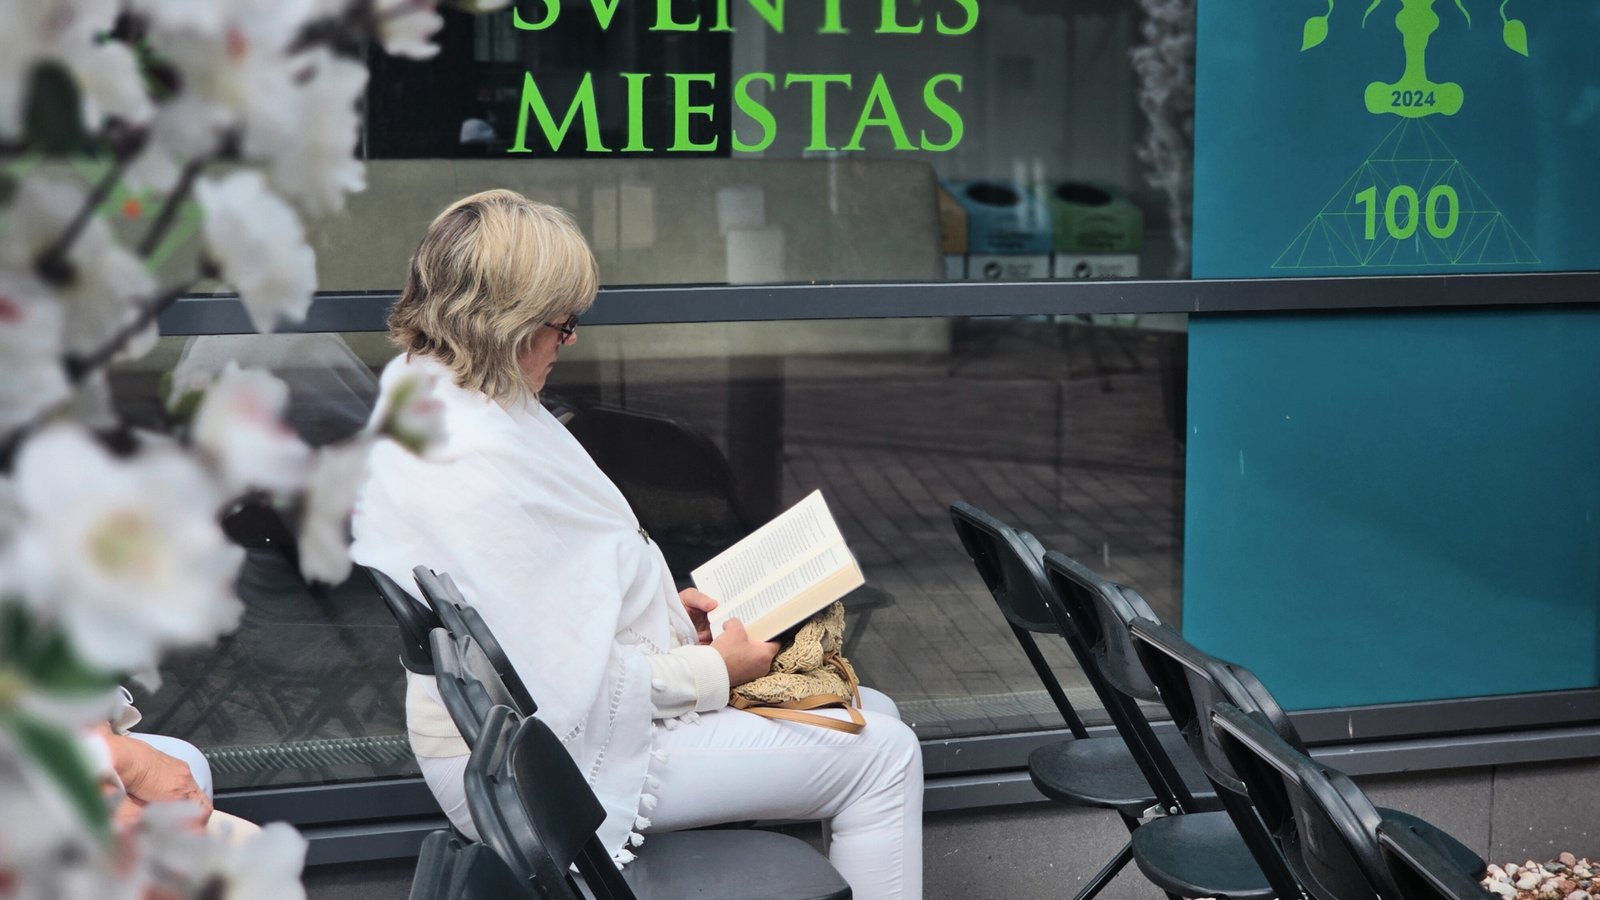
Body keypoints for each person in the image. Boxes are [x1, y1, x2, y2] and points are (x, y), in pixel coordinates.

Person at [350, 190, 923, 899]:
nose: (571, 340)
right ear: (507, 325)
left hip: (523, 743)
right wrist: (716, 669)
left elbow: (553, 620)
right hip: (542, 769)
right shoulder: (478, 464)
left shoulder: (444, 401)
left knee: (874, 718)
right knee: (885, 755)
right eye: (562, 323)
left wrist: (672, 618)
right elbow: (564, 688)